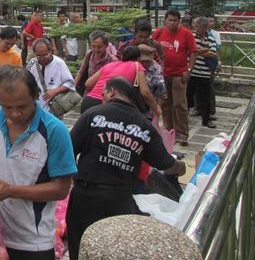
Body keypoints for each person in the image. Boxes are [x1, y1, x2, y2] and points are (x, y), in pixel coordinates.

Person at [0, 66, 77, 260]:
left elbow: (61, 189)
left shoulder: (54, 131)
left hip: (34, 241)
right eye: (7, 107)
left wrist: (11, 191)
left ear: (35, 96)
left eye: (22, 106)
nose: (15, 114)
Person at [66, 77, 186, 260]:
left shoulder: (94, 115)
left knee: (81, 248)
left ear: (111, 92)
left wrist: (75, 176)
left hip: (86, 195)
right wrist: (180, 167)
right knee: (113, 251)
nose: (102, 97)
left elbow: (68, 150)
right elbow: (165, 164)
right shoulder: (145, 127)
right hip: (120, 199)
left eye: (104, 93)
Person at [152, 9, 198, 146]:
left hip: (179, 75)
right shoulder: (159, 33)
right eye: (169, 20)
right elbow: (151, 49)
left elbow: (194, 52)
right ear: (165, 20)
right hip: (163, 75)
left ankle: (182, 134)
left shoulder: (186, 34)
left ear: (179, 21)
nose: (172, 23)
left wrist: (189, 70)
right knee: (165, 104)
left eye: (175, 20)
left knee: (180, 104)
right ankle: (169, 130)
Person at [82, 45, 160, 117]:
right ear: (138, 58)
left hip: (89, 102)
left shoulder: (110, 65)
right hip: (108, 104)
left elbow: (88, 84)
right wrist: (156, 109)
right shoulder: (137, 65)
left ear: (122, 56)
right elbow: (145, 92)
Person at [26, 38, 77, 113]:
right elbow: (26, 80)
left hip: (53, 107)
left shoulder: (59, 63)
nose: (42, 58)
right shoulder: (32, 62)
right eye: (38, 55)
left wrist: (55, 91)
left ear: (50, 51)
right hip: (35, 106)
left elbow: (70, 82)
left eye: (45, 54)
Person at [189, 17, 218, 128]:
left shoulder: (210, 37)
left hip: (205, 73)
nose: (196, 28)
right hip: (192, 71)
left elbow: (212, 53)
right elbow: (189, 51)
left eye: (198, 27)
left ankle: (206, 120)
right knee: (188, 96)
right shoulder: (191, 36)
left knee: (205, 97)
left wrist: (196, 51)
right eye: (195, 26)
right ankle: (184, 120)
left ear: (204, 27)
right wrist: (204, 50)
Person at [74, 30, 117, 96]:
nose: (96, 50)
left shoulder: (112, 60)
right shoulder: (89, 54)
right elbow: (81, 71)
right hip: (88, 93)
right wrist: (73, 86)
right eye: (93, 46)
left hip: (102, 95)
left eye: (99, 47)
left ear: (106, 45)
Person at [207, 15, 222, 120]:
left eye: (212, 21)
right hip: (200, 64)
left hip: (211, 62)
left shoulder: (215, 34)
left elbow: (217, 49)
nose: (210, 23)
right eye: (209, 21)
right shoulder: (198, 34)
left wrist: (219, 62)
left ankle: (211, 110)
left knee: (210, 87)